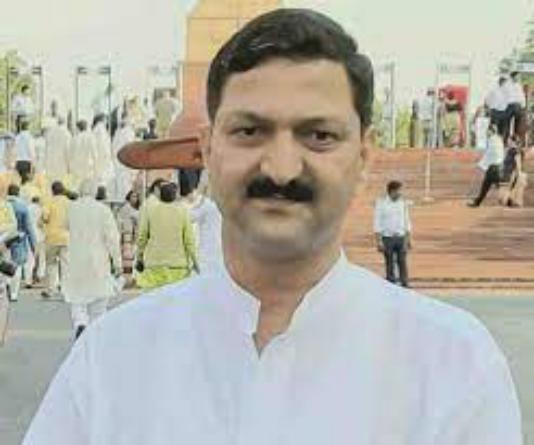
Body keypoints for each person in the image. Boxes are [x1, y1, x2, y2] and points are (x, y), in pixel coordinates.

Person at [24, 9, 522, 445]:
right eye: (249, 131)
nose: (281, 169)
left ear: (364, 156)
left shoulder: (453, 366)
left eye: (319, 135)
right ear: (208, 149)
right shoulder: (112, 359)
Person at [61, 179, 121, 339]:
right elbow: (113, 239)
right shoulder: (103, 210)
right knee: (99, 300)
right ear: (95, 192)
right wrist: (118, 262)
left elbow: (65, 226)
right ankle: (95, 331)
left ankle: (80, 323)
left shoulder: (71, 208)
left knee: (77, 297)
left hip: (75, 259)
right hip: (98, 260)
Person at [136, 182, 198, 289]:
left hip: (154, 265)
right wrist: (195, 262)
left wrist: (139, 257)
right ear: (175, 195)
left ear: (160, 195)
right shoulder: (183, 212)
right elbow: (189, 240)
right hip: (177, 267)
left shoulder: (150, 210)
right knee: (175, 298)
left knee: (155, 297)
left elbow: (142, 237)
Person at [373, 180, 412, 287]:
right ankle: (391, 284)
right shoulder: (381, 203)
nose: (401, 193)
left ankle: (404, 283)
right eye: (399, 190)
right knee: (389, 262)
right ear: (392, 191)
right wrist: (379, 241)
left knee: (402, 262)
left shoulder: (403, 203)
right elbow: (377, 222)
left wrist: (408, 238)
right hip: (387, 238)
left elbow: (407, 221)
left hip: (401, 237)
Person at [6, 184, 36, 302]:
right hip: (18, 238)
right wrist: (33, 245)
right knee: (17, 265)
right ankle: (13, 293)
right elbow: (28, 227)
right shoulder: (22, 207)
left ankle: (6, 283)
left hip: (3, 239)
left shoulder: (3, 205)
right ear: (18, 193)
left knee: (4, 263)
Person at [189, 171, 223, 274]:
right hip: (222, 255)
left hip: (207, 255)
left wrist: (197, 197)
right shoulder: (226, 204)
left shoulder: (206, 205)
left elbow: (189, 217)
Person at [41, 181, 70, 299]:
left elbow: (45, 217)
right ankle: (66, 291)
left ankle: (50, 290)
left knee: (51, 264)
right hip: (67, 238)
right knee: (66, 265)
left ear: (52, 191)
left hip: (52, 238)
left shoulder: (49, 202)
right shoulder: (69, 203)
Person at [468, 124, 505, 207]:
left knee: (487, 186)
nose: (487, 132)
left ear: (491, 131)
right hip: (498, 167)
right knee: (496, 186)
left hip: (493, 168)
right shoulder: (499, 139)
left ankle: (477, 203)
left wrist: (480, 164)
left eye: (488, 131)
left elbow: (489, 155)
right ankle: (477, 202)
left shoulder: (492, 140)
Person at [117, 190, 140, 275]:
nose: (135, 198)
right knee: (127, 256)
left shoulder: (135, 209)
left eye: (136, 197)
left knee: (131, 256)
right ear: (129, 197)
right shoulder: (126, 208)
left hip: (133, 236)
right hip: (126, 236)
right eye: (133, 196)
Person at [25, 196, 46, 287]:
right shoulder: (41, 209)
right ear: (38, 201)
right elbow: (42, 223)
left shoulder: (27, 208)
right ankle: (39, 276)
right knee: (41, 258)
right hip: (40, 236)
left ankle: (28, 280)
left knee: (30, 258)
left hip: (29, 236)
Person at [70, 120, 97, 187]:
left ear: (78, 128)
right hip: (88, 166)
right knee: (87, 186)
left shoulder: (75, 138)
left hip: (77, 167)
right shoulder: (91, 137)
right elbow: (94, 152)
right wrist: (95, 164)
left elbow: (71, 153)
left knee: (77, 186)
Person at [44, 116, 71, 182]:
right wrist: (69, 165)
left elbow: (46, 147)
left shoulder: (50, 133)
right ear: (64, 123)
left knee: (52, 182)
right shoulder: (66, 133)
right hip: (62, 163)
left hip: (50, 162)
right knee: (61, 182)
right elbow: (67, 150)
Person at [504, 71, 527, 143]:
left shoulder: (518, 85)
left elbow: (521, 96)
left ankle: (516, 136)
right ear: (513, 77)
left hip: (517, 106)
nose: (518, 78)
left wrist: (523, 105)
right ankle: (506, 137)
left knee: (520, 119)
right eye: (517, 76)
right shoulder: (507, 85)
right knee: (507, 122)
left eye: (518, 77)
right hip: (509, 105)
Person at [92, 114, 115, 186]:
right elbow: (103, 143)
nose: (106, 122)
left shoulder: (95, 129)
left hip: (98, 157)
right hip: (102, 156)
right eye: (106, 120)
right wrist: (108, 154)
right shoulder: (101, 128)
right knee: (103, 178)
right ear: (102, 119)